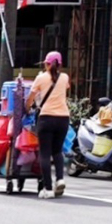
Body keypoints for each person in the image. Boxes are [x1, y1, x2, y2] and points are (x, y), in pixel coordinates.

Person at [27, 51, 70, 199]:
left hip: (46, 118)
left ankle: (48, 189)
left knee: (45, 154)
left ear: (47, 64)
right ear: (60, 64)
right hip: (63, 119)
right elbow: (65, 89)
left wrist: (27, 109)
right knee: (57, 151)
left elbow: (31, 98)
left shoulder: (40, 78)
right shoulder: (65, 77)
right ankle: (60, 179)